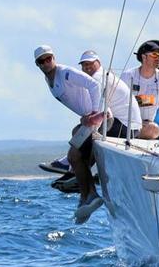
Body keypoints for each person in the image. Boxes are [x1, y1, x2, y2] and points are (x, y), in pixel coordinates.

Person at [34, 45, 107, 222]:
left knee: (75, 155)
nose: (46, 63)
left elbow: (94, 85)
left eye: (48, 58)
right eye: (41, 61)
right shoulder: (48, 79)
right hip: (88, 120)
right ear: (37, 64)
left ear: (54, 58)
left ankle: (89, 194)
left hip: (100, 118)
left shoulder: (65, 72)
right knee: (76, 143)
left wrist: (95, 113)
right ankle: (84, 198)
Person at [77, 50, 140, 138]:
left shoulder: (97, 78)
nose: (87, 66)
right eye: (84, 64)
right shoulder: (104, 75)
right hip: (132, 128)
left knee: (80, 133)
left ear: (98, 63)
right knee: (80, 130)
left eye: (90, 63)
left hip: (125, 128)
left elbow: (106, 114)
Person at [120, 40, 159, 140]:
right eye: (154, 55)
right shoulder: (127, 76)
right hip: (125, 123)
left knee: (154, 129)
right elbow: (120, 102)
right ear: (144, 57)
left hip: (147, 127)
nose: (158, 58)